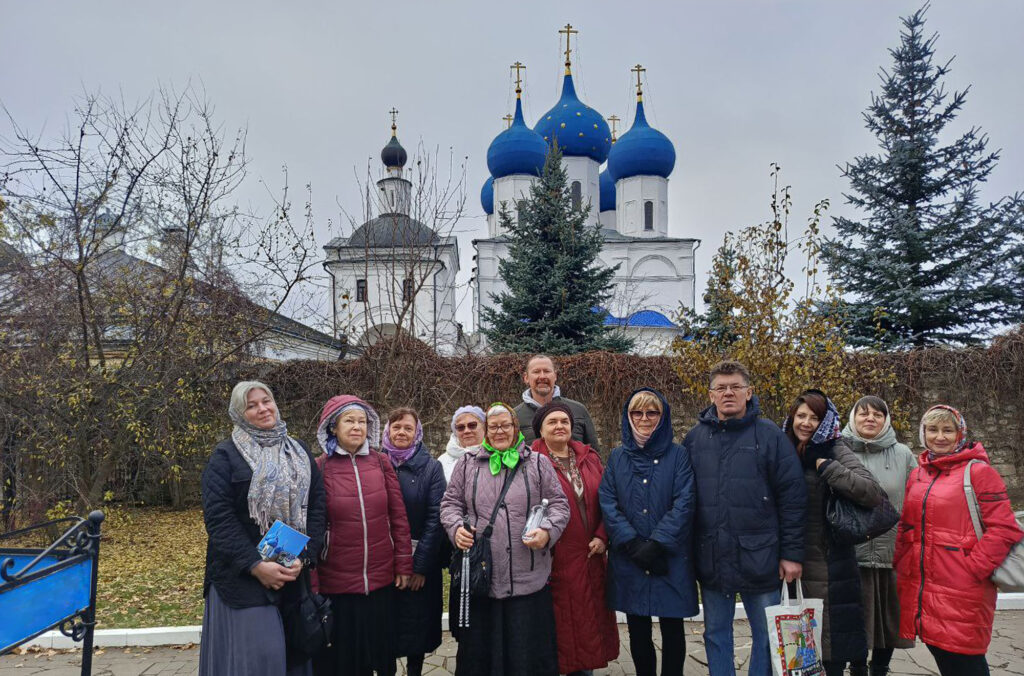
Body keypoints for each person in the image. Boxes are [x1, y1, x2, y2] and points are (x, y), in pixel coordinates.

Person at [682, 360, 806, 676]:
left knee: (766, 636)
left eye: (735, 387)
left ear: (749, 392)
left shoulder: (770, 436)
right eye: (721, 388)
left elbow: (792, 499)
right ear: (710, 395)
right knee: (715, 634)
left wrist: (791, 554)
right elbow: (683, 498)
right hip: (712, 556)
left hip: (760, 555)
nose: (728, 393)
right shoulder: (695, 439)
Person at [200, 381, 326, 676]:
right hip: (241, 578)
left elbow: (318, 505)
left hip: (291, 571)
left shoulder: (298, 451)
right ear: (239, 413)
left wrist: (304, 557)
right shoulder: (226, 456)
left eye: (266, 401)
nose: (262, 409)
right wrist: (255, 565)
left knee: (295, 657)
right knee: (259, 661)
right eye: (252, 405)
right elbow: (219, 519)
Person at [440, 403, 570, 676]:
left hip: (527, 576)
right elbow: (450, 505)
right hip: (483, 577)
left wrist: (547, 532)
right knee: (481, 657)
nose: (499, 431)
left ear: (515, 428)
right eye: (493, 426)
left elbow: (559, 504)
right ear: (486, 430)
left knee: (526, 656)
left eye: (505, 425)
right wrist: (455, 529)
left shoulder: (537, 462)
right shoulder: (468, 462)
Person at [896, 405, 1024, 676]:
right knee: (941, 653)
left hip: (963, 587)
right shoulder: (918, 473)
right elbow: (908, 525)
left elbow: (1004, 528)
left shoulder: (978, 472)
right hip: (924, 586)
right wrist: (901, 562)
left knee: (965, 660)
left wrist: (973, 568)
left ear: (960, 434)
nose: (939, 437)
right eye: (933, 430)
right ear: (923, 433)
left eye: (947, 430)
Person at [783, 389, 885, 676]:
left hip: (830, 563)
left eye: (814, 418)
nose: (806, 423)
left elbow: (871, 492)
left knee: (831, 647)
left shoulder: (833, 448)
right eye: (800, 416)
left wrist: (826, 466)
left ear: (825, 421)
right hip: (790, 558)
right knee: (797, 647)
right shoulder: (783, 448)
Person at [599, 388, 697, 676]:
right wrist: (631, 543)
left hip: (668, 556)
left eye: (651, 412)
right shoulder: (618, 457)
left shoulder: (678, 455)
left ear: (662, 416)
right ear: (628, 417)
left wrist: (657, 544)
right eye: (637, 412)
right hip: (629, 557)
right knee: (638, 628)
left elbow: (685, 501)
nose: (644, 418)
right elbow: (608, 500)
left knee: (672, 625)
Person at [312, 395, 413, 676]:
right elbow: (312, 528)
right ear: (333, 427)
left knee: (381, 659)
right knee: (344, 663)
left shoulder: (381, 463)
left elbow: (398, 517)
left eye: (362, 421)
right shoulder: (319, 468)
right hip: (338, 586)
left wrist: (404, 563)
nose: (357, 427)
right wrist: (313, 580)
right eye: (349, 421)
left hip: (381, 582)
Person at [532, 402, 619, 676]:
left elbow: (609, 500)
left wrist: (603, 536)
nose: (559, 426)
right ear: (541, 430)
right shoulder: (531, 460)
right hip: (554, 559)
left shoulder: (589, 457)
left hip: (591, 556)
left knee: (589, 626)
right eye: (552, 422)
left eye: (564, 421)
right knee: (560, 629)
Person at [841, 396, 917, 676]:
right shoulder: (839, 449)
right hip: (851, 552)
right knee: (854, 619)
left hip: (892, 552)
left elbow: (917, 498)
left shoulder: (903, 454)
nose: (870, 419)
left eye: (877, 414)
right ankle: (857, 668)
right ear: (853, 418)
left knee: (889, 620)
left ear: (886, 420)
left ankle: (880, 669)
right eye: (864, 414)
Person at [382, 408, 447, 676]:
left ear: (417, 432)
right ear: (387, 431)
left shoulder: (431, 467)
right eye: (396, 427)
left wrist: (419, 567)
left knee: (416, 630)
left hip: (421, 564)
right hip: (383, 565)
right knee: (385, 628)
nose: (401, 432)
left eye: (408, 428)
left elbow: (436, 517)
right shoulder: (374, 463)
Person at [514, 354, 601, 451]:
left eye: (547, 371)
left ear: (555, 376)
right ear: (526, 378)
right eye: (536, 372)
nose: (542, 376)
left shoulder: (578, 410)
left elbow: (594, 453)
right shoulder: (515, 416)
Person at [440, 405, 486, 482]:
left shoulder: (496, 457)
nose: (466, 431)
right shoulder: (442, 462)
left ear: (484, 427)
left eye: (472, 425)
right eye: (461, 427)